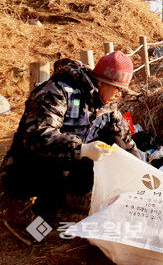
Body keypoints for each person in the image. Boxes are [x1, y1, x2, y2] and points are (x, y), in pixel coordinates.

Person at [0, 51, 140, 217]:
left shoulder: (107, 107)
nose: (119, 95)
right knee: (54, 187)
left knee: (97, 172)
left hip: (69, 168)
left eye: (122, 91)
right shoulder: (57, 91)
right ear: (101, 82)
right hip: (30, 167)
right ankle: (25, 211)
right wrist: (82, 149)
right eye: (117, 88)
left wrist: (140, 172)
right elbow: (37, 136)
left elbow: (125, 142)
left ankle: (66, 204)